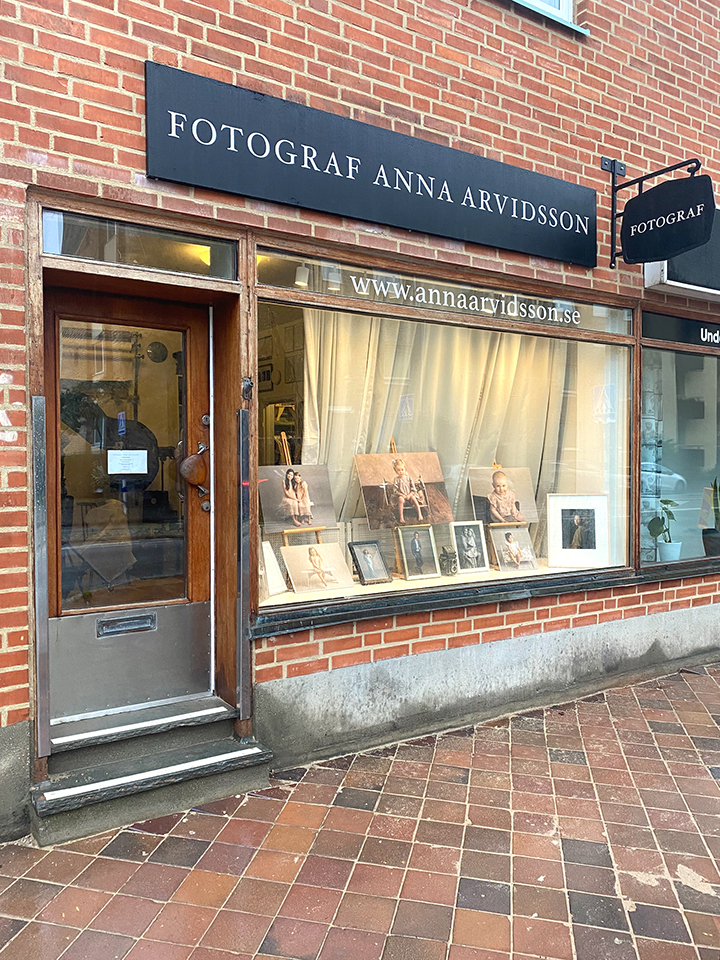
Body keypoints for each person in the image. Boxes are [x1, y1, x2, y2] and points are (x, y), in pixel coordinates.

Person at [391, 458, 424, 524]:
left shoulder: (409, 478)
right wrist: (401, 495)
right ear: (395, 471)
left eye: (402, 469)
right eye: (398, 470)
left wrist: (410, 494)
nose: (401, 472)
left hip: (409, 494)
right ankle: (401, 517)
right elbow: (395, 490)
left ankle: (419, 514)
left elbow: (413, 489)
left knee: (414, 498)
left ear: (405, 469)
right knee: (401, 500)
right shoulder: (396, 479)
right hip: (401, 495)